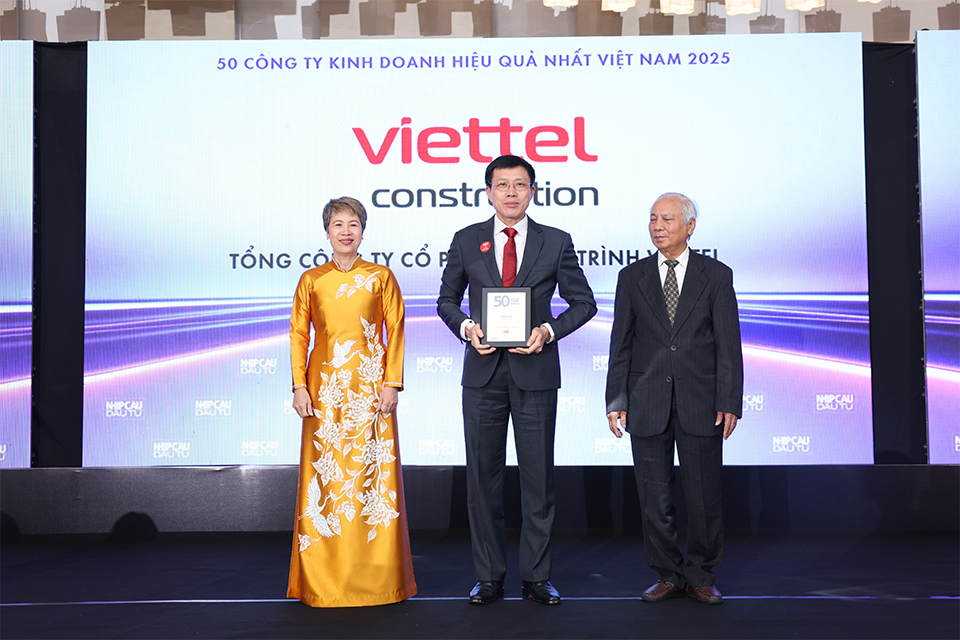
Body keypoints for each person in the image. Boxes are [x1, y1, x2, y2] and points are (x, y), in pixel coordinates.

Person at [437, 155, 597, 605]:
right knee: (481, 480)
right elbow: (446, 300)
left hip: (536, 372)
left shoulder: (556, 241)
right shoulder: (466, 239)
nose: (511, 192)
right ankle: (488, 577)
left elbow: (584, 303)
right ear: (488, 191)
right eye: (502, 184)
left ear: (532, 191)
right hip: (482, 374)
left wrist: (548, 331)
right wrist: (467, 328)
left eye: (520, 185)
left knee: (538, 480)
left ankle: (536, 577)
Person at [605, 192, 743, 605]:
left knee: (703, 495)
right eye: (653, 219)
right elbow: (620, 343)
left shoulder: (715, 275)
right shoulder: (632, 277)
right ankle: (667, 573)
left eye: (666, 219)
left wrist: (729, 399)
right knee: (654, 497)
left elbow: (728, 344)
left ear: (690, 226)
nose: (657, 226)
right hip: (646, 399)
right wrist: (616, 398)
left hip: (702, 400)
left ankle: (701, 573)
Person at [287, 196, 417, 607]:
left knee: (372, 479)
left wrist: (392, 383)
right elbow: (298, 334)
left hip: (371, 392)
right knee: (325, 480)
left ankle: (379, 580)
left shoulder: (380, 277)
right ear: (326, 232)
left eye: (353, 224)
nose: (346, 231)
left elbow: (396, 328)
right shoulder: (311, 280)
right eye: (338, 224)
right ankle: (324, 582)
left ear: (363, 231)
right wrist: (299, 386)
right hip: (323, 393)